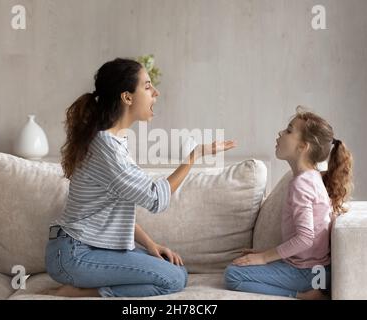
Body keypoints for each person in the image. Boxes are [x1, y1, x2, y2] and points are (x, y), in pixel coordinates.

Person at [44, 58, 236, 297]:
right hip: (73, 255)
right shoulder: (106, 148)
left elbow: (111, 211)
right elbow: (156, 198)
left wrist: (151, 244)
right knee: (174, 278)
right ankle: (79, 293)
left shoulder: (114, 142)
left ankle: (83, 288)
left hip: (88, 249)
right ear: (127, 97)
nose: (156, 92)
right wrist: (194, 156)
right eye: (147, 86)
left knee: (177, 271)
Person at [224, 106, 353, 299]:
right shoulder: (311, 177)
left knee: (233, 275)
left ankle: (303, 295)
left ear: (303, 146)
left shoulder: (302, 184)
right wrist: (266, 253)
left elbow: (305, 238)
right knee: (238, 265)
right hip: (316, 270)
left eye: (289, 130)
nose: (280, 133)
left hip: (307, 273)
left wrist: (263, 257)